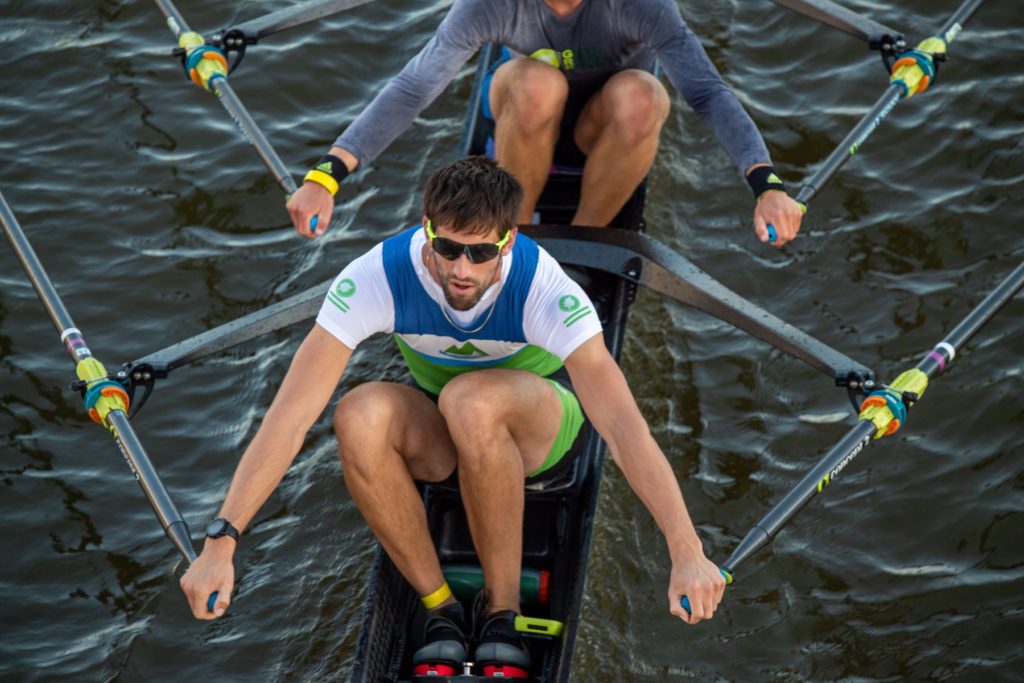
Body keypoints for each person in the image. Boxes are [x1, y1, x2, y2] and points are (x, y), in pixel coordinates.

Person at [181, 157, 726, 673]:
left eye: (482, 253)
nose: (463, 269)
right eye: (447, 248)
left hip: (542, 433)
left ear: (508, 242)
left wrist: (686, 550)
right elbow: (289, 416)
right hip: (448, 434)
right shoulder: (377, 276)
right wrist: (221, 542)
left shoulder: (544, 290)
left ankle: (503, 612)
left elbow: (624, 429)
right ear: (427, 230)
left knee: (470, 399)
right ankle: (439, 606)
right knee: (358, 412)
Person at [287, 0, 804, 246]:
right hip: (525, 108)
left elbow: (707, 93)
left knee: (645, 96)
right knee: (538, 86)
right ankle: (512, 236)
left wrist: (766, 184)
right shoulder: (488, 5)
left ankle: (583, 242)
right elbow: (413, 86)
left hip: (603, 123)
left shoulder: (644, 6)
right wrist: (327, 174)